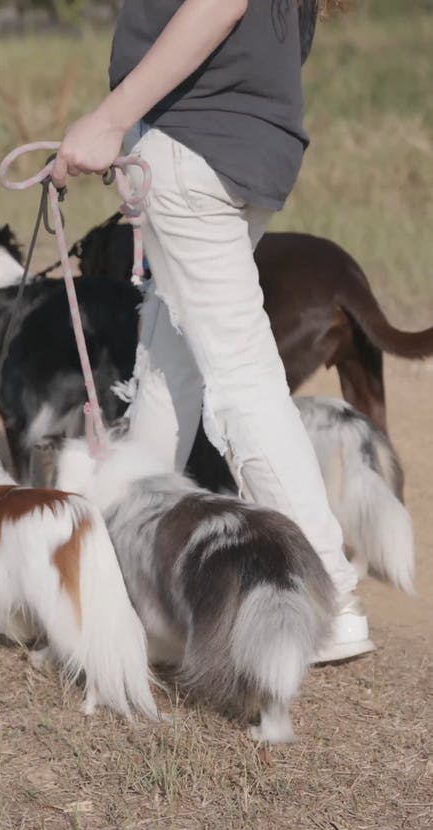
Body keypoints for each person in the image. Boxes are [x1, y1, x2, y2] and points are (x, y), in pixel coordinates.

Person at [52, 0, 374, 662]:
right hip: (246, 148)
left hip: (191, 148)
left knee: (238, 375)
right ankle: (137, 591)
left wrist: (111, 118)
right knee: (170, 368)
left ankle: (329, 594)